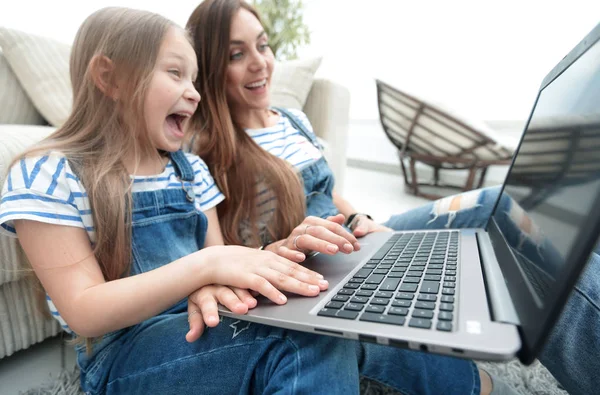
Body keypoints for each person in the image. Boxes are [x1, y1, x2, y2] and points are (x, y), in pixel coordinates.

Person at [184, 1, 600, 395]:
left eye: (263, 44)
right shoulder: (209, 148)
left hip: (358, 235)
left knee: (498, 206)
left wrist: (362, 218)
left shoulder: (293, 119)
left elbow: (328, 193)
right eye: (237, 54)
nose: (260, 62)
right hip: (314, 264)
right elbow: (222, 254)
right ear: (211, 67)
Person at [0, 7, 386, 395]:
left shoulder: (191, 171)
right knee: (303, 342)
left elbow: (217, 270)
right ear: (109, 78)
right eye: (175, 73)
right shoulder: (47, 173)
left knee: (320, 320)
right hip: (123, 356)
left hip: (200, 322)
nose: (195, 92)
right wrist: (206, 266)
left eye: (195, 79)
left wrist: (275, 255)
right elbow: (84, 309)